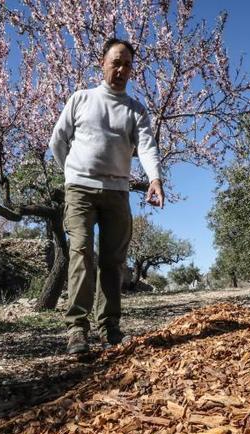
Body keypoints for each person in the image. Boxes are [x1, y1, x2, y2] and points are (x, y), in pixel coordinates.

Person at [49, 38, 165, 355]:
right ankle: (77, 329)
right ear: (102, 63)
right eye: (116, 61)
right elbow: (57, 141)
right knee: (81, 251)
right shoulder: (81, 99)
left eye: (127, 64)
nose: (121, 69)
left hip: (117, 192)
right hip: (80, 190)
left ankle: (110, 327)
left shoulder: (136, 110)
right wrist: (73, 173)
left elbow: (147, 147)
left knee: (113, 262)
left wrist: (154, 178)